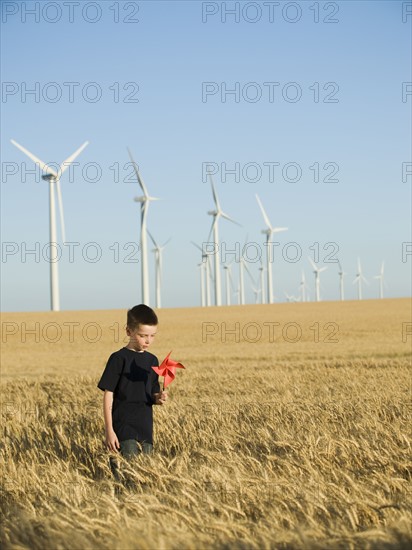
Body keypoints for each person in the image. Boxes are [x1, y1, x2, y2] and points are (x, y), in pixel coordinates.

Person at [97, 304, 167, 479]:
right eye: (143, 335)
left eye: (152, 336)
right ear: (129, 331)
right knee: (127, 475)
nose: (148, 340)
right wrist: (109, 430)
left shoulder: (153, 360)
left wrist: (159, 397)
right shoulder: (118, 358)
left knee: (145, 476)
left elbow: (152, 394)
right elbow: (108, 394)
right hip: (123, 426)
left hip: (145, 427)